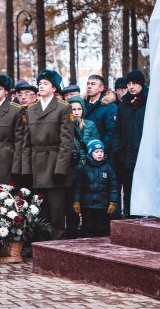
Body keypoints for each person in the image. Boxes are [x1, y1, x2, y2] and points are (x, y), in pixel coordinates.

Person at [22, 70, 74, 240]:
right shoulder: (31, 110)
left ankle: (57, 245)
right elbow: (26, 142)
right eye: (40, 83)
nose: (41, 86)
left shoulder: (63, 107)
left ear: (54, 87)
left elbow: (66, 141)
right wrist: (26, 167)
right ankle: (42, 244)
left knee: (57, 209)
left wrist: (60, 168)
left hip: (54, 162)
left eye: (45, 83)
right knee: (39, 208)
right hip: (37, 163)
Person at [112, 70, 148, 218]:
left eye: (134, 83)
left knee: (143, 191)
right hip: (125, 156)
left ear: (141, 84)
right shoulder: (124, 104)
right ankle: (129, 218)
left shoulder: (150, 101)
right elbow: (117, 130)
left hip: (143, 156)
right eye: (129, 84)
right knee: (128, 191)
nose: (131, 87)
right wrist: (117, 148)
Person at [66, 95, 100, 238]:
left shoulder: (90, 124)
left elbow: (95, 144)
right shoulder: (64, 124)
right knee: (71, 201)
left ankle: (87, 230)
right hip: (70, 169)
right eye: (73, 109)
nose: (76, 112)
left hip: (86, 169)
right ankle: (72, 231)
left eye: (79, 109)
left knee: (87, 201)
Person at [73, 139, 117, 237]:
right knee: (87, 228)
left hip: (102, 207)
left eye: (101, 151)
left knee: (102, 229)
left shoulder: (108, 169)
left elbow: (113, 187)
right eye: (96, 152)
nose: (99, 154)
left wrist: (113, 202)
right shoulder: (84, 169)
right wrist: (76, 201)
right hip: (87, 206)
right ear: (90, 153)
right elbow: (78, 187)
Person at [84, 75, 117, 157]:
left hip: (100, 152)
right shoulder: (82, 104)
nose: (89, 86)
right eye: (88, 84)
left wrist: (100, 149)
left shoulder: (109, 106)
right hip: (83, 151)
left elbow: (111, 132)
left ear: (101, 88)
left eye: (93, 84)